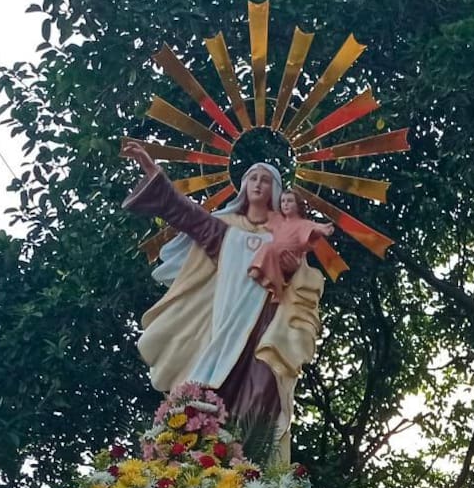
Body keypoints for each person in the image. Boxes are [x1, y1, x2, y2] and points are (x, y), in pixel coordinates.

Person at [120, 141, 325, 460]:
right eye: (253, 178)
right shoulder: (225, 229)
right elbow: (185, 213)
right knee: (207, 397)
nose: (258, 184)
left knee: (263, 391)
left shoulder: (286, 233)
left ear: (275, 190)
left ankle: (251, 471)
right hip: (222, 328)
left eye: (266, 180)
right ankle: (197, 464)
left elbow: (301, 280)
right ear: (243, 186)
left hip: (264, 330)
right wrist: (152, 170)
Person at [247, 188, 334, 301]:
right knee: (270, 247)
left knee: (269, 246)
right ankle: (265, 275)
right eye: (283, 201)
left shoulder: (303, 224)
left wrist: (323, 229)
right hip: (274, 255)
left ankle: (258, 268)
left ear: (298, 205)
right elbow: (264, 217)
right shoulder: (279, 221)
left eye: (290, 201)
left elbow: (314, 229)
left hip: (288, 256)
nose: (285, 204)